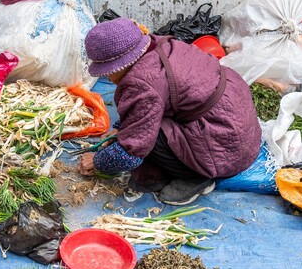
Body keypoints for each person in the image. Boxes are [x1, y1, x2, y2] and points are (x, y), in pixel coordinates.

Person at [78, 17, 261, 205]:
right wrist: (120, 127)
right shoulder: (163, 45)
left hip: (225, 148)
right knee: (140, 127)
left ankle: (195, 176)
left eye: (108, 71)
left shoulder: (142, 84)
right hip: (240, 127)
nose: (108, 77)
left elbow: (130, 153)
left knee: (147, 136)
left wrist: (98, 161)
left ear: (122, 63)